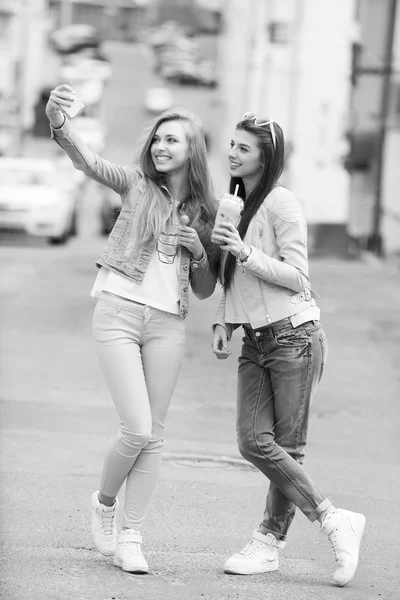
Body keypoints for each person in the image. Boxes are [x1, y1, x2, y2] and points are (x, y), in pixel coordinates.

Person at [45, 84, 218, 574]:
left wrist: (200, 249)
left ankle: (132, 537)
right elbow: (88, 161)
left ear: (192, 152)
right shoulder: (136, 185)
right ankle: (103, 503)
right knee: (137, 428)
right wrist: (59, 123)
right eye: (158, 139)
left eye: (173, 141)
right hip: (119, 313)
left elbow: (205, 289)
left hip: (168, 324)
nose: (161, 147)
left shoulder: (203, 212)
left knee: (155, 435)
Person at [211, 112, 365, 587]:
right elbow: (232, 277)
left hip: (293, 335)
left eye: (244, 149)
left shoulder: (282, 204)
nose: (232, 153)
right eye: (232, 145)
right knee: (252, 441)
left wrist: (243, 251)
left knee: (286, 447)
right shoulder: (234, 202)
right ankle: (332, 518)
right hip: (255, 339)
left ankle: (271, 541)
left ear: (266, 157)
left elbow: (299, 278)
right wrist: (224, 316)